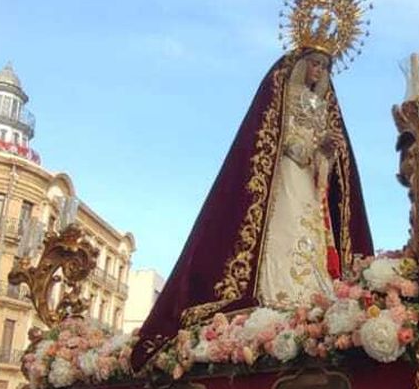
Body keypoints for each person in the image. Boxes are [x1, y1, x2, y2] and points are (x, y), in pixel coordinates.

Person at [131, 45, 374, 370]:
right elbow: (277, 139)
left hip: (309, 186)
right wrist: (309, 148)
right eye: (313, 64)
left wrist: (326, 154)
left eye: (324, 66)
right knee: (283, 234)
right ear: (300, 65)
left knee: (311, 236)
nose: (318, 71)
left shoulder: (324, 107)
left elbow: (326, 166)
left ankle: (308, 307)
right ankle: (277, 300)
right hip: (283, 179)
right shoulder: (283, 94)